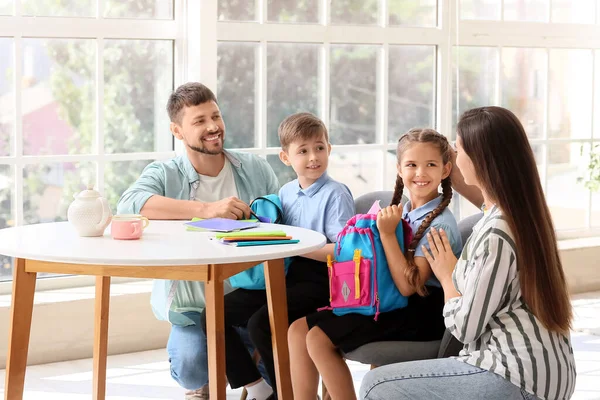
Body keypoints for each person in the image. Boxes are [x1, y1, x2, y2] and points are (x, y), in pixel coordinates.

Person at [360, 106, 577, 400]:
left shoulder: (496, 234)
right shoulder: (522, 214)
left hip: (514, 376)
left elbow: (465, 328)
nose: (452, 156)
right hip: (545, 372)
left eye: (457, 149)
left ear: (481, 159)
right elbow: (486, 197)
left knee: (374, 385)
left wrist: (448, 276)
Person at [117, 82, 280, 400]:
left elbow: (281, 219)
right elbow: (129, 204)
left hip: (248, 303)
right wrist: (206, 210)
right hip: (194, 309)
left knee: (273, 370)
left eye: (215, 116)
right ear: (177, 131)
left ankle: (247, 372)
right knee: (192, 364)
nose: (213, 127)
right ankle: (205, 380)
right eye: (199, 121)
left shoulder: (255, 169)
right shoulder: (166, 174)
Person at [287, 128, 463, 400]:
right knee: (298, 330)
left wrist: (387, 234)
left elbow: (409, 287)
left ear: (445, 169)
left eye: (431, 165)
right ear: (399, 168)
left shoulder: (440, 225)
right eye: (412, 165)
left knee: (317, 338)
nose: (420, 173)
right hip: (389, 297)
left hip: (423, 310)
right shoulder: (404, 211)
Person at [199, 112, 355, 400]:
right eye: (303, 151)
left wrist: (298, 246)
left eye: (319, 147)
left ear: (329, 149)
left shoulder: (335, 194)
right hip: (285, 274)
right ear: (286, 158)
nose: (313, 157)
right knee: (212, 315)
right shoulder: (285, 192)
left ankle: (290, 394)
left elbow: (345, 252)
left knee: (262, 323)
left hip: (321, 280)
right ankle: (261, 390)